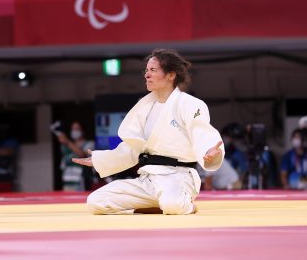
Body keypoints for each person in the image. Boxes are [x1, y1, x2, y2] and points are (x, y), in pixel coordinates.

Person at [73, 49, 224, 215]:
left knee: (172, 204)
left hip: (178, 177)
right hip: (148, 179)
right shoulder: (145, 107)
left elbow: (201, 133)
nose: (147, 75)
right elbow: (133, 148)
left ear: (171, 75)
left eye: (153, 70)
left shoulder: (189, 104)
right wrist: (100, 159)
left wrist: (210, 151)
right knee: (96, 201)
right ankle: (154, 205)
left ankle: (187, 205)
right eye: (146, 70)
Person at [54, 121, 95, 191]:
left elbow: (83, 155)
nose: (74, 131)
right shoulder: (66, 147)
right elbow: (63, 165)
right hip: (67, 182)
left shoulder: (90, 144)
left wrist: (67, 141)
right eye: (73, 129)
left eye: (77, 129)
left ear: (83, 131)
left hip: (82, 182)